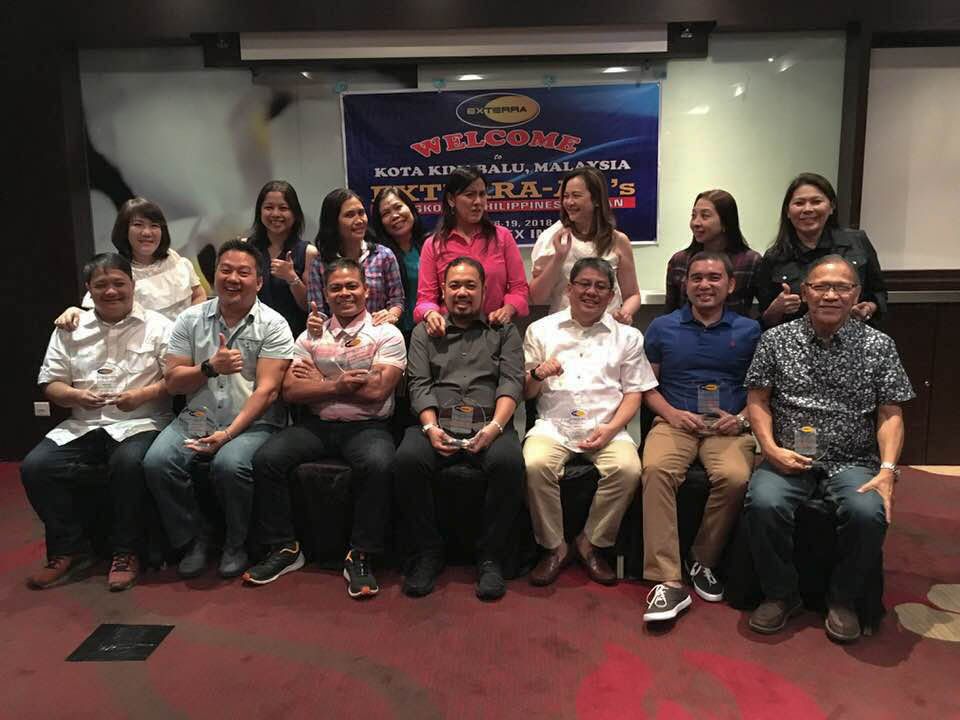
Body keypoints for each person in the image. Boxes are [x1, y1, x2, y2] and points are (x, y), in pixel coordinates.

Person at [744, 255, 913, 643]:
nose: (831, 295)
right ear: (805, 292)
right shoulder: (775, 340)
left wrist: (887, 470)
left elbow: (890, 413)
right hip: (787, 455)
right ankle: (781, 594)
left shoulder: (878, 346)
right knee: (763, 503)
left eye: (841, 287)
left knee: (868, 512)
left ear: (856, 294)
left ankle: (843, 599)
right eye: (820, 287)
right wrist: (769, 449)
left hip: (853, 459)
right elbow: (758, 400)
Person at [243, 259, 405, 598]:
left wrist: (320, 380)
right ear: (326, 295)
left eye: (352, 286)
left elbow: (377, 391)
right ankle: (285, 547)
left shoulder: (386, 333)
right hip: (316, 425)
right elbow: (291, 391)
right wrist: (339, 385)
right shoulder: (309, 337)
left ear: (366, 290)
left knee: (380, 464)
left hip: (368, 426)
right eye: (336, 288)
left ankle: (361, 554)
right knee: (267, 459)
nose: (344, 293)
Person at [143, 239, 294, 579]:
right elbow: (173, 382)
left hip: (254, 419)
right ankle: (195, 538)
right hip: (200, 416)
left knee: (229, 464)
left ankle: (236, 544)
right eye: (225, 270)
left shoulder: (274, 324)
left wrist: (227, 434)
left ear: (259, 281)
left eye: (243, 272)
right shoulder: (190, 320)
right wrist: (209, 368)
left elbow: (268, 391)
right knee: (157, 462)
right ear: (214, 275)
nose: (233, 279)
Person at [22, 253, 172, 591]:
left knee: (127, 463)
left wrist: (142, 395)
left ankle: (126, 552)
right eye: (101, 284)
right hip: (84, 424)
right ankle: (68, 550)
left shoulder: (159, 326)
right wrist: (75, 396)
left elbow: (175, 380)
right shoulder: (70, 328)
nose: (111, 291)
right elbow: (51, 383)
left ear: (133, 285)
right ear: (88, 289)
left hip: (141, 421)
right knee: (36, 466)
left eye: (119, 283)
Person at [640, 252, 762, 623]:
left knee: (735, 477)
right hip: (675, 422)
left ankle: (702, 560)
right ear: (685, 284)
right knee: (656, 470)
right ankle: (667, 578)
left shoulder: (749, 330)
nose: (704, 285)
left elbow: (761, 390)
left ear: (731, 284)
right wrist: (671, 413)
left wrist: (741, 420)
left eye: (714, 277)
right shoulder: (662, 327)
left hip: (728, 426)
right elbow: (646, 386)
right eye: (696, 278)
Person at [395, 257, 526, 601]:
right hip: (436, 422)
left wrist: (495, 427)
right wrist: (429, 428)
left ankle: (490, 557)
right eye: (454, 285)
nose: (462, 292)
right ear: (443, 290)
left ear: (484, 290)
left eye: (470, 285)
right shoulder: (424, 332)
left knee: (510, 463)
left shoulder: (504, 331)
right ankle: (428, 552)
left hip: (490, 423)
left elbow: (511, 383)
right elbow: (419, 384)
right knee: (407, 460)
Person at [523, 257, 655, 587]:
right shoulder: (540, 330)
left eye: (600, 287)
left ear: (611, 295)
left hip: (607, 426)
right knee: (534, 464)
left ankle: (591, 542)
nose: (591, 292)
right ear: (569, 289)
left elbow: (634, 393)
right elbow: (525, 392)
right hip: (553, 426)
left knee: (628, 469)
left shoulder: (628, 337)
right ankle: (554, 547)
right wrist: (538, 374)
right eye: (584, 284)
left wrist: (611, 428)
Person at [755, 172, 888, 328]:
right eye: (799, 203)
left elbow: (879, 293)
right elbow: (765, 320)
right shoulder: (774, 257)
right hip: (795, 340)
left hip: (853, 335)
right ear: (788, 212)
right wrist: (776, 309)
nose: (808, 209)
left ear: (831, 207)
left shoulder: (857, 241)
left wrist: (868, 308)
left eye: (816, 202)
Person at [54, 197, 206, 329]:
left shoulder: (176, 260)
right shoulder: (115, 270)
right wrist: (74, 312)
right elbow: (99, 315)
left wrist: (187, 327)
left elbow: (198, 295)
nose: (147, 232)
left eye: (154, 225)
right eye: (138, 225)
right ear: (124, 231)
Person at [414, 166, 529, 336]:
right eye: (470, 195)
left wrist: (508, 309)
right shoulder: (433, 244)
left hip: (495, 330)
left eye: (482, 194)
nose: (478, 202)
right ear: (451, 200)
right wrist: (430, 314)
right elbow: (425, 299)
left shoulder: (502, 237)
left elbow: (519, 289)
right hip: (449, 334)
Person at [529, 167, 641, 323]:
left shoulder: (618, 240)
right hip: (563, 330)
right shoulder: (552, 237)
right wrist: (558, 258)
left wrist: (625, 313)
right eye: (566, 196)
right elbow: (536, 297)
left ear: (596, 200)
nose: (569, 202)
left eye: (576, 196)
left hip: (607, 329)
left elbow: (632, 295)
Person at [307, 188, 404, 327]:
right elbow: (318, 310)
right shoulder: (319, 263)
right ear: (333, 222)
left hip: (378, 332)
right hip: (334, 336)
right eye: (350, 215)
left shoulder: (383, 255)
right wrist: (316, 323)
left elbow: (396, 300)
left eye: (361, 213)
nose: (359, 220)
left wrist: (391, 315)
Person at [664, 189, 762, 317]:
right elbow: (670, 313)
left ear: (725, 222)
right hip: (686, 329)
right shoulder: (679, 261)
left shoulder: (750, 261)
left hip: (735, 329)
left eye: (705, 216)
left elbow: (766, 314)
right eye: (693, 216)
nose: (696, 223)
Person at [246, 180, 317, 338]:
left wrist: (292, 278)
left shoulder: (308, 252)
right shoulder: (246, 248)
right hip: (253, 335)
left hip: (294, 337)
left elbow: (310, 307)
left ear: (295, 213)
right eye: (269, 207)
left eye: (283, 208)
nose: (276, 214)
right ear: (259, 211)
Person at [369, 187, 427, 339]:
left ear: (410, 208)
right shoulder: (377, 256)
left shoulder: (429, 245)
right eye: (386, 213)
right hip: (391, 334)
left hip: (428, 329)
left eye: (398, 207)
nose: (395, 215)